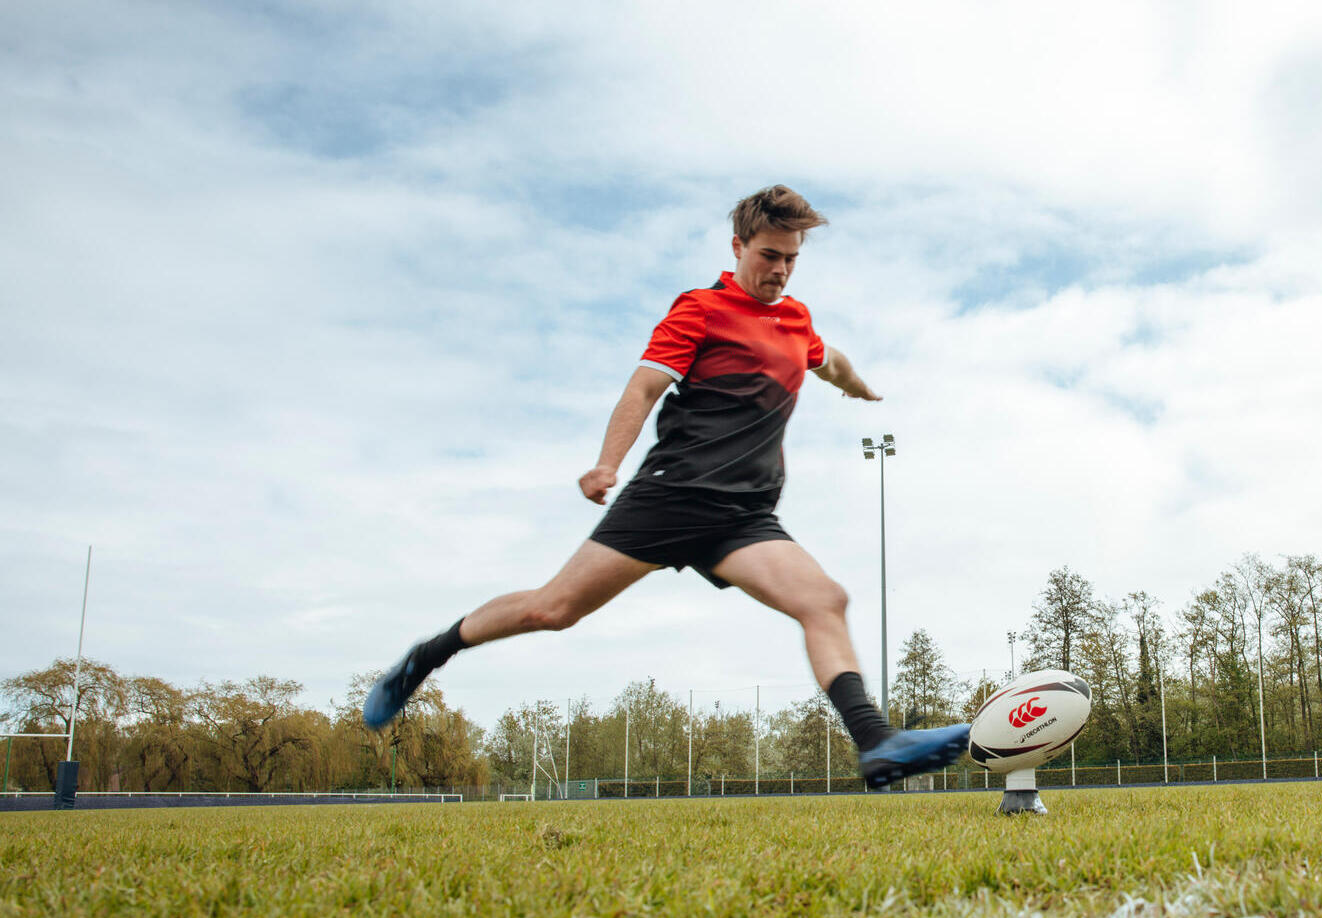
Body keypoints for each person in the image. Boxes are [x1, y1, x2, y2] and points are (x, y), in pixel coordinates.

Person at [361, 185, 970, 790]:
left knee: (825, 600)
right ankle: (427, 657)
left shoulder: (795, 319)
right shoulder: (699, 309)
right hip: (674, 495)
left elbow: (829, 359)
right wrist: (606, 464)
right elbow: (644, 387)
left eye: (790, 259)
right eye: (767, 256)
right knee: (553, 609)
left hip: (743, 516)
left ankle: (877, 744)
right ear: (738, 246)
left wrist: (857, 388)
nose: (779, 270)